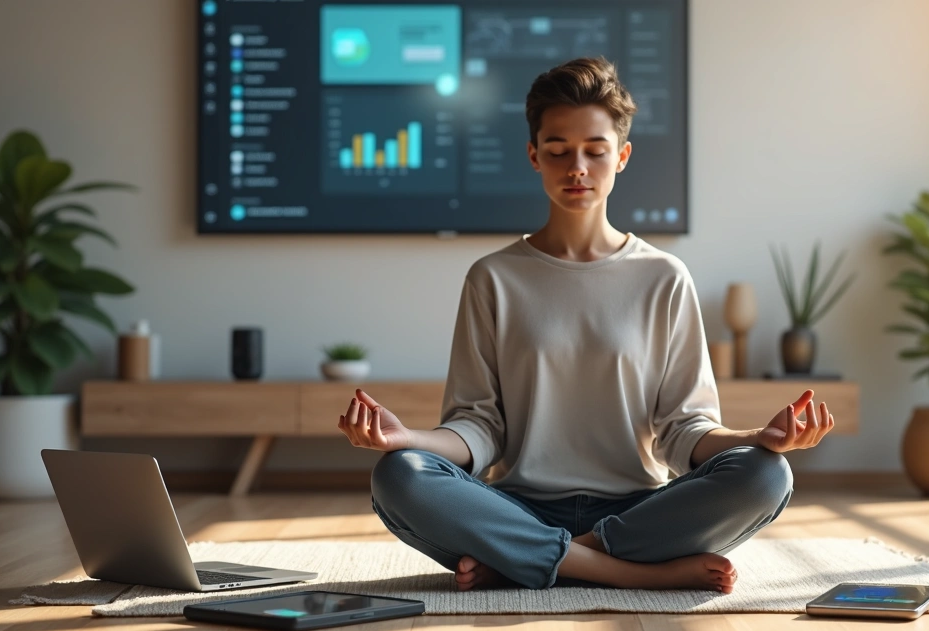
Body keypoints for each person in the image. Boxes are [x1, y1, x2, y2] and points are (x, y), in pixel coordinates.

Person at [337, 57, 835, 594]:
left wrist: (758, 437)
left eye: (595, 152)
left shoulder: (664, 277)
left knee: (766, 474)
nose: (577, 167)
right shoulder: (493, 278)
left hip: (637, 509)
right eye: (558, 151)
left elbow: (683, 430)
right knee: (399, 475)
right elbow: (479, 427)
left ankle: (534, 561)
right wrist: (405, 438)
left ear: (621, 157)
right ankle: (628, 573)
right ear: (534, 156)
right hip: (517, 505)